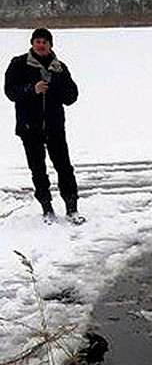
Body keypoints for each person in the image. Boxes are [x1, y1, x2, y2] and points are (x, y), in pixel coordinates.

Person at [4, 27, 84, 224]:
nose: (41, 45)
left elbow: (72, 96)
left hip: (54, 127)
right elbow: (10, 91)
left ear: (50, 45)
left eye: (45, 42)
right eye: (38, 41)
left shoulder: (59, 68)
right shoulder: (18, 64)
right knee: (38, 169)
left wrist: (55, 87)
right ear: (32, 43)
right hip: (29, 127)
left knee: (64, 167)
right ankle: (47, 208)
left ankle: (72, 208)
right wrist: (32, 89)